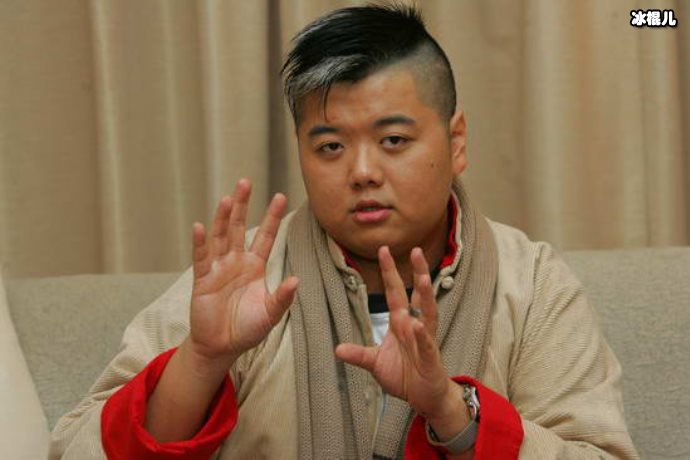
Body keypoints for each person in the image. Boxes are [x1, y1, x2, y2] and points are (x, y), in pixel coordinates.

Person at [50, 4, 638, 459]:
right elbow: (74, 449)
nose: (362, 172)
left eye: (393, 141)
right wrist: (203, 359)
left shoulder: (531, 283)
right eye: (330, 146)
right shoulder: (248, 279)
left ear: (456, 141)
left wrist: (450, 410)